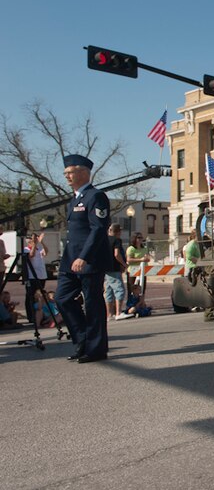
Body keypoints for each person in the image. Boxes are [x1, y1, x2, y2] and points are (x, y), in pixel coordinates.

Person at [56, 154, 112, 363]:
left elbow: (98, 229)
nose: (67, 176)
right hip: (71, 261)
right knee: (62, 298)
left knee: (93, 304)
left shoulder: (95, 196)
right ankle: (83, 339)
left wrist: (84, 257)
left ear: (83, 173)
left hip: (90, 260)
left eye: (70, 172)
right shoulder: (74, 200)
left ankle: (96, 349)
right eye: (65, 173)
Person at [104, 224, 128, 320]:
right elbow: (117, 254)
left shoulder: (104, 240)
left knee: (108, 291)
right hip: (114, 268)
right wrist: (124, 264)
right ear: (118, 232)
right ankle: (118, 312)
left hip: (105, 268)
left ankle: (109, 314)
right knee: (119, 289)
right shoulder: (116, 240)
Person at [23, 232, 48, 319]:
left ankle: (40, 314)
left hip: (41, 276)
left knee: (40, 295)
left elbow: (46, 252)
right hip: (32, 276)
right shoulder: (26, 249)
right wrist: (33, 244)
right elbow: (31, 255)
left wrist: (42, 242)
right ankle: (31, 316)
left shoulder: (39, 248)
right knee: (31, 296)